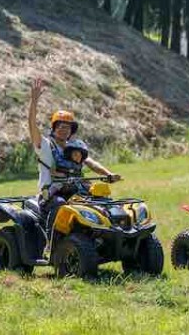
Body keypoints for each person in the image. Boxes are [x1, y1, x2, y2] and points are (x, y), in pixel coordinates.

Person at [28, 78, 121, 234]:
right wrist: (34, 101)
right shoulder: (44, 145)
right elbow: (32, 125)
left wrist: (109, 175)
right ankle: (50, 244)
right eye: (61, 127)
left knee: (103, 202)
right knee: (60, 206)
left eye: (68, 128)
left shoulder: (74, 148)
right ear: (54, 128)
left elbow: (91, 163)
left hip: (76, 191)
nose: (64, 130)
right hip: (51, 195)